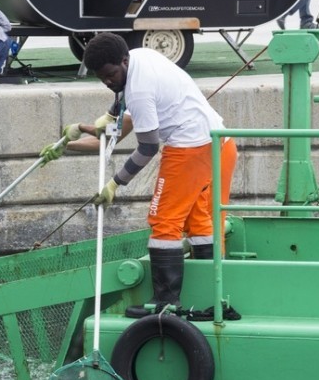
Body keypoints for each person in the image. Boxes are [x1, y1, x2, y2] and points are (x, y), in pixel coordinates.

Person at [42, 33, 239, 319]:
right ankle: (212, 296)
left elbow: (148, 147)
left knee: (164, 221)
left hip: (190, 148)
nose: (107, 82)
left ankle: (165, 304)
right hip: (220, 141)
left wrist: (114, 183)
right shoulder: (139, 56)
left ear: (123, 62)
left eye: (109, 75)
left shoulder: (139, 91)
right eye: (101, 78)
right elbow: (112, 128)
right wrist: (72, 141)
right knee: (199, 220)